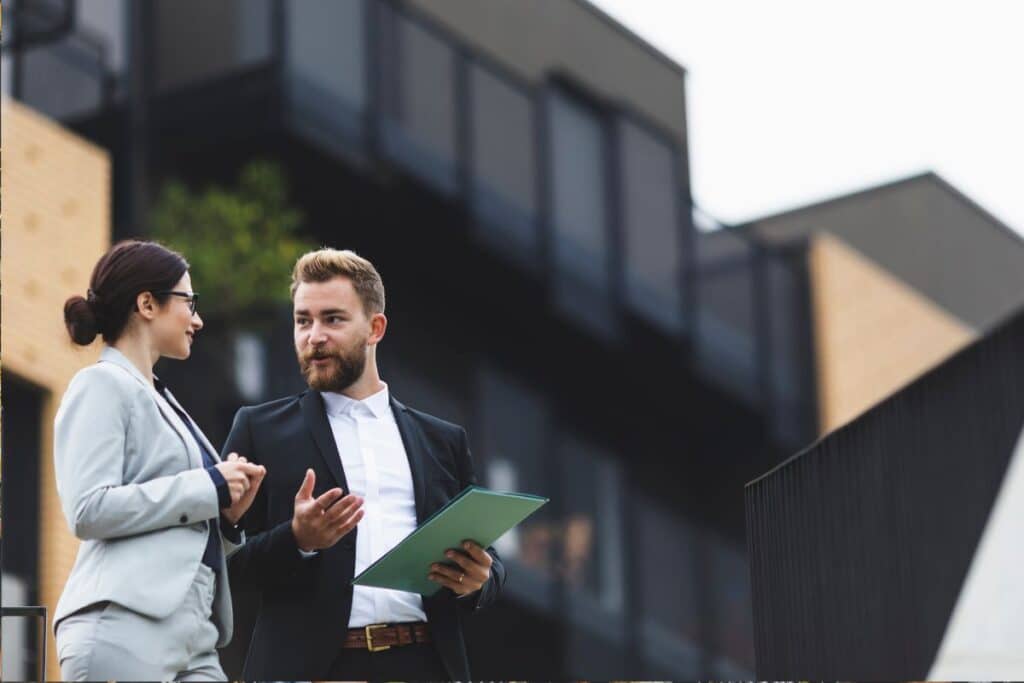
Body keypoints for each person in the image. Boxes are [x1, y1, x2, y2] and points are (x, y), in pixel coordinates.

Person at [225, 248, 505, 680]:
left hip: (425, 663)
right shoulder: (259, 429)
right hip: (313, 670)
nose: (314, 335)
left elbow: (488, 560)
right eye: (303, 321)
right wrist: (297, 538)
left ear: (375, 327)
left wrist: (480, 580)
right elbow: (221, 562)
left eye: (332, 319)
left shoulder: (443, 441)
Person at [53, 240, 265, 681]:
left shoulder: (162, 399)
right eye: (190, 302)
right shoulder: (100, 385)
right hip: (124, 627)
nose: (198, 319)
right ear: (147, 304)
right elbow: (87, 508)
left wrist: (225, 518)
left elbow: (178, 532)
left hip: (197, 638)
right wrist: (209, 487)